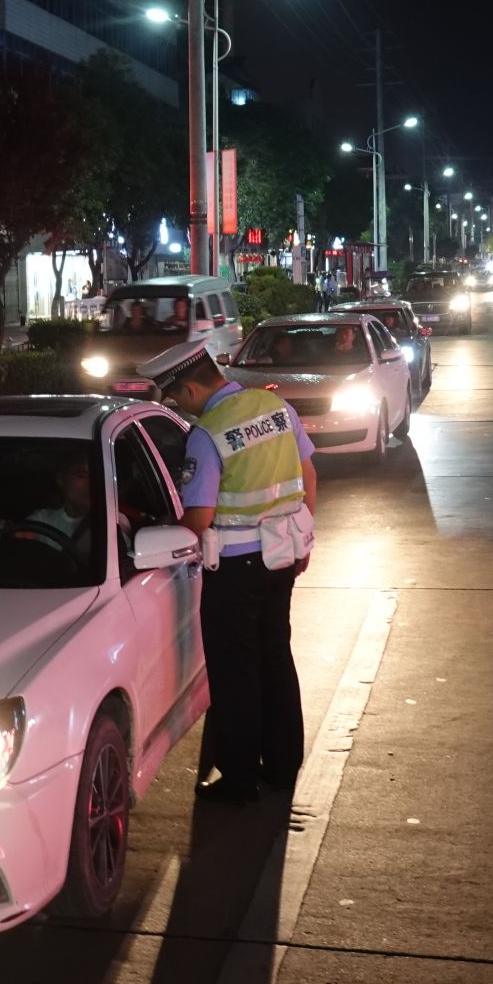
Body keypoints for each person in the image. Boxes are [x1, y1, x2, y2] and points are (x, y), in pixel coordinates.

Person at [141, 341, 317, 805]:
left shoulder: (207, 433)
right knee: (275, 657)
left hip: (236, 569)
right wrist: (303, 538)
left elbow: (199, 518)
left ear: (191, 388)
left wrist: (158, 533)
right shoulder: (276, 407)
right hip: (282, 557)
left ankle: (240, 780)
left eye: (176, 397)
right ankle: (282, 767)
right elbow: (309, 476)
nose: (179, 406)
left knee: (235, 671)